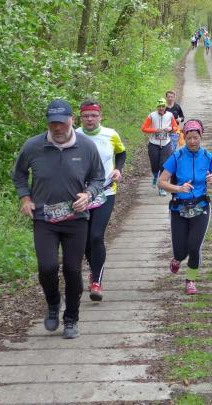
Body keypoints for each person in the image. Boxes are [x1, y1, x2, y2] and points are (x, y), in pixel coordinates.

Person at [12, 99, 105, 339]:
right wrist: (25, 198)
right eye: (53, 123)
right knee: (47, 267)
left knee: (72, 270)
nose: (57, 128)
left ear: (71, 120)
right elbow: (19, 174)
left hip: (76, 218)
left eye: (62, 123)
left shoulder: (86, 146)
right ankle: (53, 303)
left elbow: (98, 178)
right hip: (44, 218)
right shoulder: (33, 146)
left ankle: (71, 317)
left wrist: (88, 194)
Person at [158, 119, 212, 295]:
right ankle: (177, 259)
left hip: (201, 206)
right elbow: (161, 182)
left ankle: (191, 280)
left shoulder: (208, 156)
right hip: (179, 208)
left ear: (201, 137)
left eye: (196, 137)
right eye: (189, 138)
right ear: (184, 138)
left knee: (194, 246)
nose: (192, 141)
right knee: (180, 251)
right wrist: (179, 188)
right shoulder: (177, 157)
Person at [75, 98, 126, 302]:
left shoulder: (111, 134)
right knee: (85, 239)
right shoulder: (74, 135)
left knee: (96, 236)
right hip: (81, 195)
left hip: (106, 192)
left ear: (100, 116)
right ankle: (93, 268)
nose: (90, 119)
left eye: (94, 115)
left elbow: (121, 153)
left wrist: (118, 169)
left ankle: (96, 280)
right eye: (86, 116)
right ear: (80, 117)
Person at [141, 97, 179, 196]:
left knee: (164, 165)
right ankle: (155, 176)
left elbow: (175, 127)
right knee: (154, 165)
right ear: (157, 107)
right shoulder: (151, 116)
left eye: (163, 106)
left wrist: (170, 128)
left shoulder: (170, 115)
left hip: (166, 144)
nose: (161, 108)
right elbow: (144, 128)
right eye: (159, 106)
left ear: (165, 106)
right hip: (153, 144)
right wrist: (155, 130)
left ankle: (161, 187)